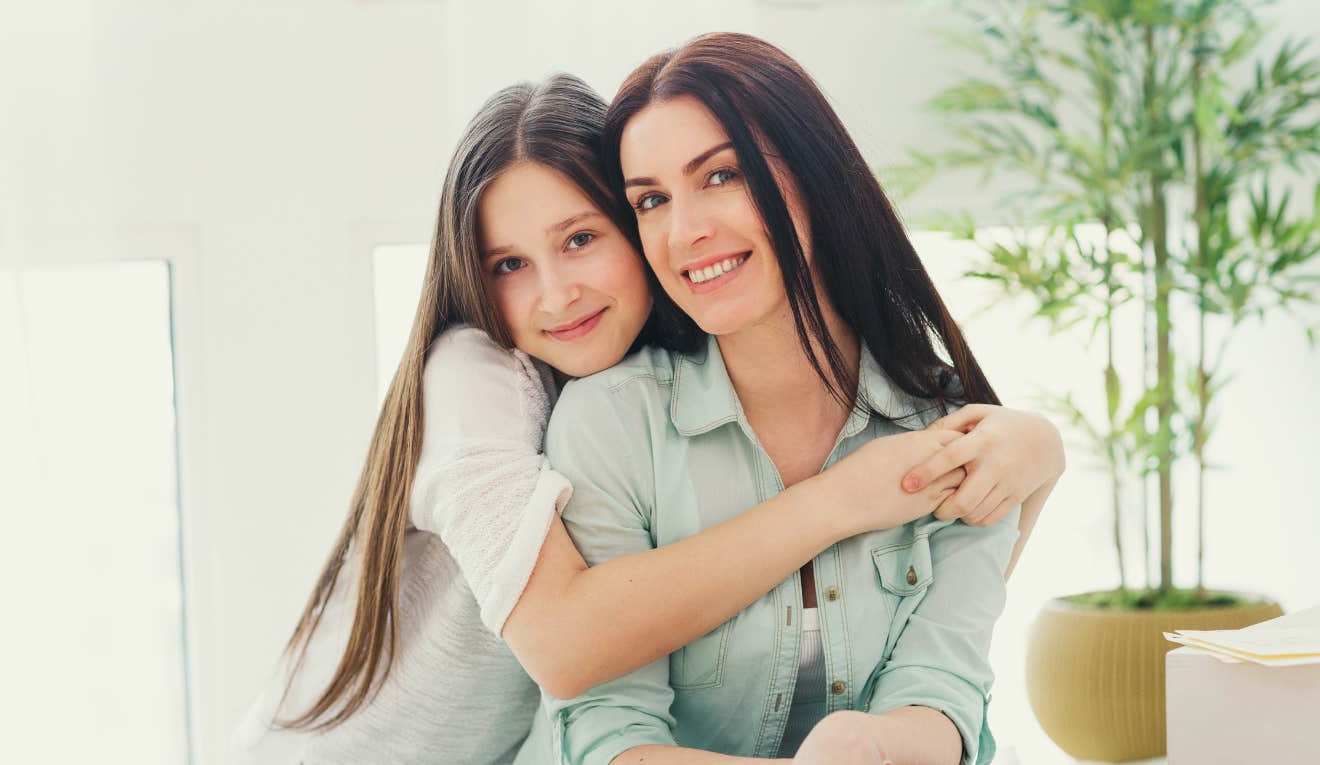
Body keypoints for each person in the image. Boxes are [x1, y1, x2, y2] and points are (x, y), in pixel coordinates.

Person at [236, 72, 1063, 765]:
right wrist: (839, 500)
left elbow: (943, 646)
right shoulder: (478, 378)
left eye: (583, 237)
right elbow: (566, 646)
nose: (556, 294)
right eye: (509, 264)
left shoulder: (682, 360)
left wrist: (1041, 450)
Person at [514, 34, 1058, 765]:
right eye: (651, 199)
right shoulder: (611, 425)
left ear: (814, 173)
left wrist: (868, 744)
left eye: (722, 175)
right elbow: (610, 736)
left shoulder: (948, 424)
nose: (684, 232)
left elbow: (943, 690)